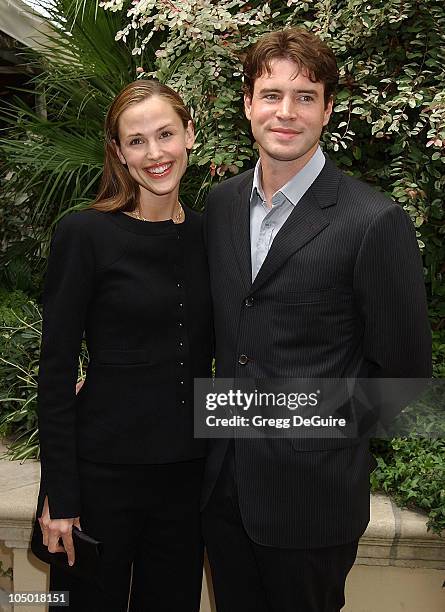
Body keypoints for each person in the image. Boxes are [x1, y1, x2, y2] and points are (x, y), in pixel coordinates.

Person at [201, 28, 432, 612]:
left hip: (312, 503)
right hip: (222, 487)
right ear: (248, 103)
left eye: (305, 96)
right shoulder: (221, 205)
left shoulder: (374, 222)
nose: (286, 112)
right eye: (272, 94)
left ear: (327, 109)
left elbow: (403, 382)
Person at [35, 80, 213, 611]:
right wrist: (60, 495)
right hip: (100, 480)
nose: (155, 154)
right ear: (118, 152)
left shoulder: (212, 236)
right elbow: (57, 370)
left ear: (190, 136)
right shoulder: (85, 234)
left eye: (166, 135)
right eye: (137, 141)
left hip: (186, 480)